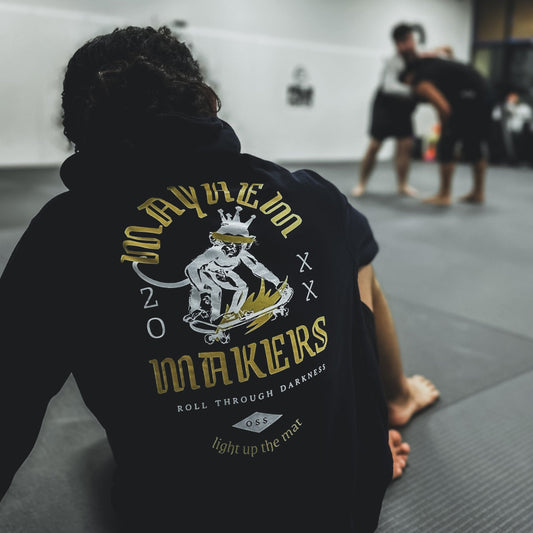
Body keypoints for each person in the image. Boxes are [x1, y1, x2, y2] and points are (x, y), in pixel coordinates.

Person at [0, 27, 437, 533]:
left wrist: (275, 285)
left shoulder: (66, 235)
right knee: (350, 253)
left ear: (76, 130)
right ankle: (397, 397)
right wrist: (366, 448)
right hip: (339, 509)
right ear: (206, 102)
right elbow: (242, 278)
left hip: (179, 515)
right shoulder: (315, 199)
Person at [352, 23, 452, 199]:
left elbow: (438, 55)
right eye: (402, 43)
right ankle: (362, 183)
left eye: (409, 41)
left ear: (413, 40)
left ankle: (402, 184)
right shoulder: (394, 61)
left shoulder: (419, 55)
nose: (406, 46)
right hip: (385, 106)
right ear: (397, 44)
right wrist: (415, 91)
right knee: (375, 145)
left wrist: (441, 51)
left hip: (403, 108)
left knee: (406, 145)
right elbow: (389, 86)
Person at [400, 57, 492, 205]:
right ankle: (478, 193)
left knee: (446, 142)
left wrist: (446, 128)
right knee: (473, 142)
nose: (410, 88)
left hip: (468, 98)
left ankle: (444, 194)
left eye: (408, 84)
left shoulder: (420, 81)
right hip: (483, 94)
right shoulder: (434, 66)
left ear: (409, 76)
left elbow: (443, 107)